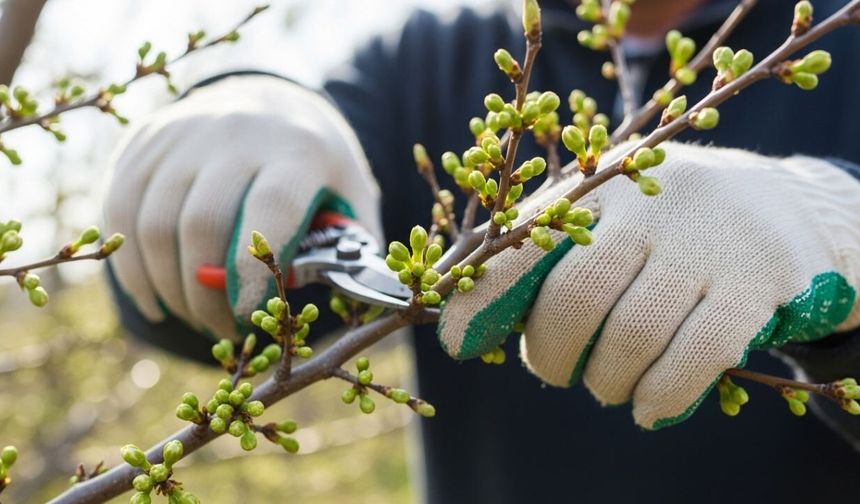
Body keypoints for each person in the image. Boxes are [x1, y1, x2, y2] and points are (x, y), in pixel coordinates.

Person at [103, 0, 860, 502]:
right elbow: (208, 310)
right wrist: (240, 112)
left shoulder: (836, 38)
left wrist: (840, 225)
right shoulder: (425, 66)